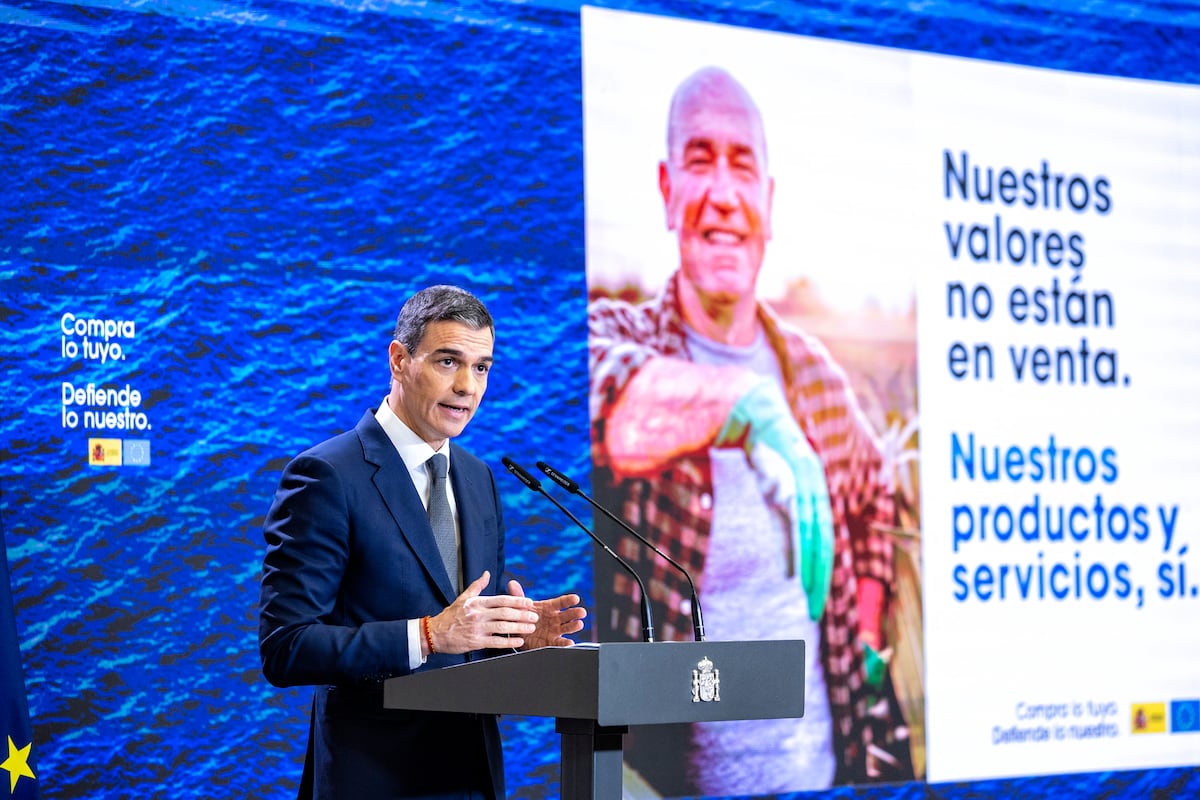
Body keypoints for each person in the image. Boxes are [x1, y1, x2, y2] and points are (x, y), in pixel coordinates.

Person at [588, 67, 905, 794]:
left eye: (744, 166)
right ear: (667, 190)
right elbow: (613, 406)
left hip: (829, 773)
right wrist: (747, 406)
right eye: (700, 161)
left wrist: (866, 629)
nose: (725, 195)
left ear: (769, 199)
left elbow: (876, 493)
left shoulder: (817, 378)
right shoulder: (618, 334)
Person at [259, 285, 586, 800]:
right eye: (448, 361)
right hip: (374, 780)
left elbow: (467, 625)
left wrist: (513, 637)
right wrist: (428, 635)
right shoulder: (326, 476)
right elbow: (287, 647)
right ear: (399, 360)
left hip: (472, 776)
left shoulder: (478, 479)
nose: (467, 386)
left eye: (481, 367)